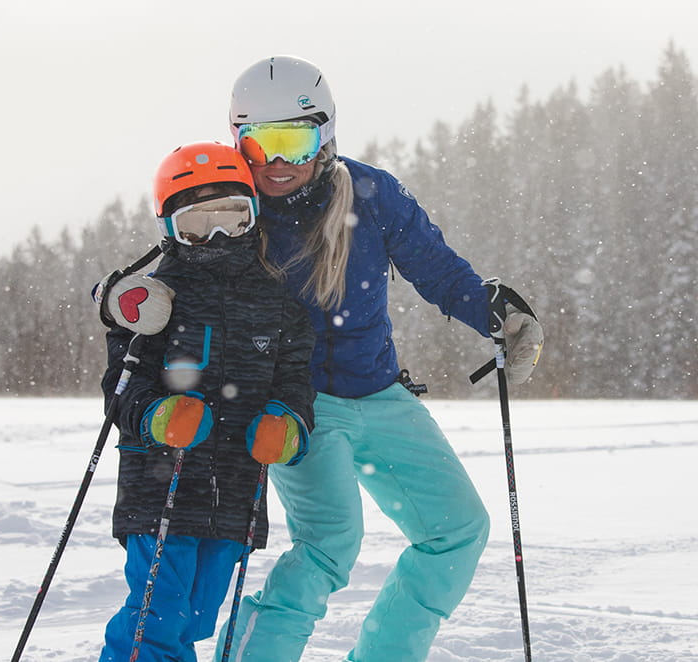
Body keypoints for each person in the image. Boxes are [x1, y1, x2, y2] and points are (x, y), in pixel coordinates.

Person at [217, 56, 544, 662]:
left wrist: (495, 312)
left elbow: (437, 267)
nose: (279, 162)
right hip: (296, 403)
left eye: (295, 139)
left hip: (380, 393)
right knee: (327, 544)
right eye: (261, 145)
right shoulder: (234, 210)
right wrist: (131, 303)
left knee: (457, 531)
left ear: (327, 134)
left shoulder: (371, 192)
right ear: (238, 144)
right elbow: (175, 266)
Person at [96, 141, 316, 662]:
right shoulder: (155, 299)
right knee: (157, 615)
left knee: (195, 615)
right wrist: (158, 415)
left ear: (253, 216)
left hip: (238, 487)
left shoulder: (279, 301)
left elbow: (295, 383)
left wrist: (287, 424)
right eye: (197, 224)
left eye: (231, 219)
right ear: (170, 228)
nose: (216, 236)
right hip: (161, 485)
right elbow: (120, 388)